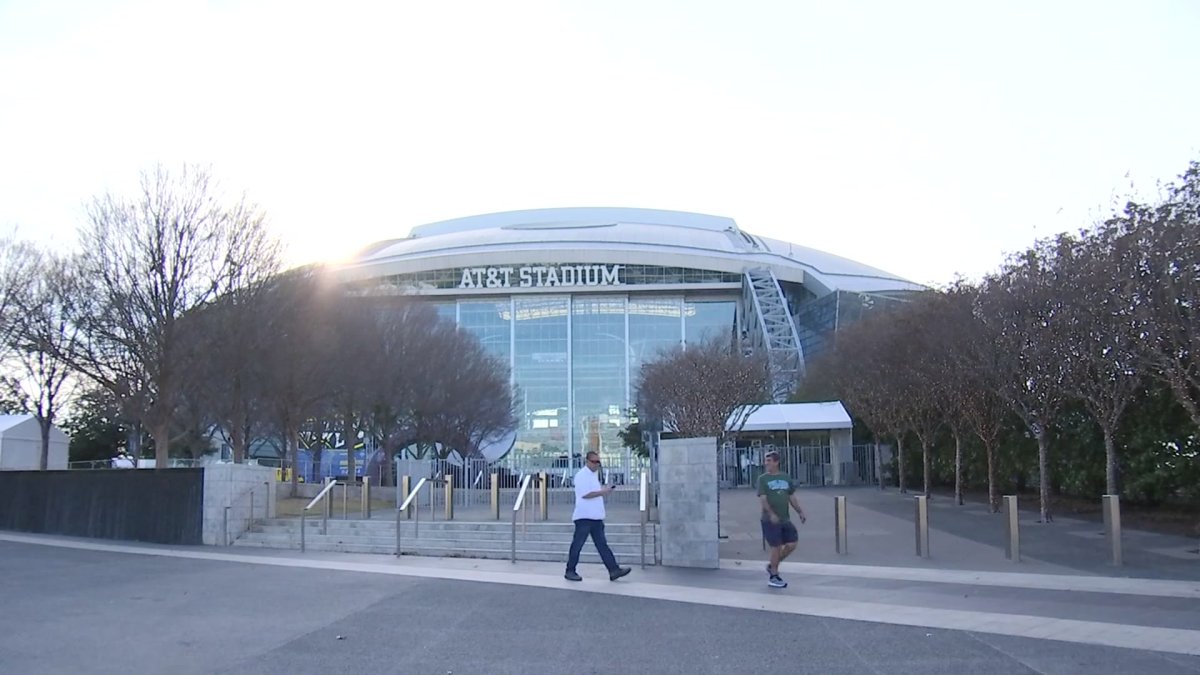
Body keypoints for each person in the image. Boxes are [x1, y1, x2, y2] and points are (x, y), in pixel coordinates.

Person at [564, 451, 632, 582]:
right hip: (584, 517)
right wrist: (603, 492)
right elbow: (585, 494)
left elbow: (593, 493)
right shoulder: (582, 475)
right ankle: (570, 570)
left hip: (595, 517)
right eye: (594, 462)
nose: (597, 464)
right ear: (587, 461)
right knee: (577, 544)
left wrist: (603, 491)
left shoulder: (592, 476)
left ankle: (613, 570)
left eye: (598, 462)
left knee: (602, 545)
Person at [757, 450, 806, 588]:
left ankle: (772, 565)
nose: (766, 463)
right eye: (765, 461)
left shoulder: (785, 477)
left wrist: (800, 512)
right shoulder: (763, 479)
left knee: (792, 543)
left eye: (769, 461)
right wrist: (771, 514)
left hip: (785, 518)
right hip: (769, 520)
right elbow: (763, 499)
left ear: (776, 462)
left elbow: (791, 497)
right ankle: (774, 576)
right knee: (776, 547)